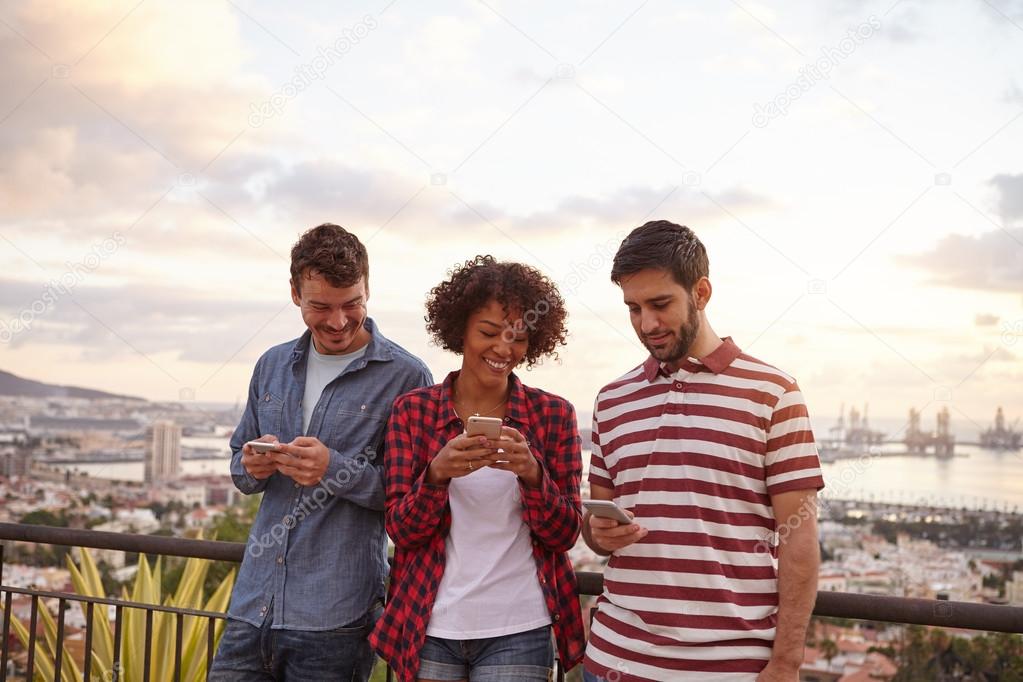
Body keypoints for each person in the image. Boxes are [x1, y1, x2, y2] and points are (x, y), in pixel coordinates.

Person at [582, 221, 825, 682]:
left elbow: (799, 540)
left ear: (701, 291)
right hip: (614, 661)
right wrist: (598, 532)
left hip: (729, 670)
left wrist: (787, 661)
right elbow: (596, 529)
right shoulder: (611, 399)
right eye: (633, 308)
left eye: (660, 304)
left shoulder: (774, 393)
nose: (646, 324)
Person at [210, 223, 433, 681]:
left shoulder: (407, 376)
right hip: (253, 607)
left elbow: (413, 499)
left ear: (368, 290)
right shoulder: (271, 365)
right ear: (294, 293)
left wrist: (335, 469)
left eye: (352, 304)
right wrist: (251, 465)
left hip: (336, 620)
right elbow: (239, 465)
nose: (337, 321)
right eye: (320, 306)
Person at [369, 256, 585, 682]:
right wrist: (436, 476)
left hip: (520, 626)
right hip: (430, 624)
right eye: (488, 332)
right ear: (460, 330)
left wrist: (533, 474)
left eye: (519, 337)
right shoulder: (413, 412)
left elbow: (565, 534)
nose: (504, 349)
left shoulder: (553, 415)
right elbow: (401, 530)